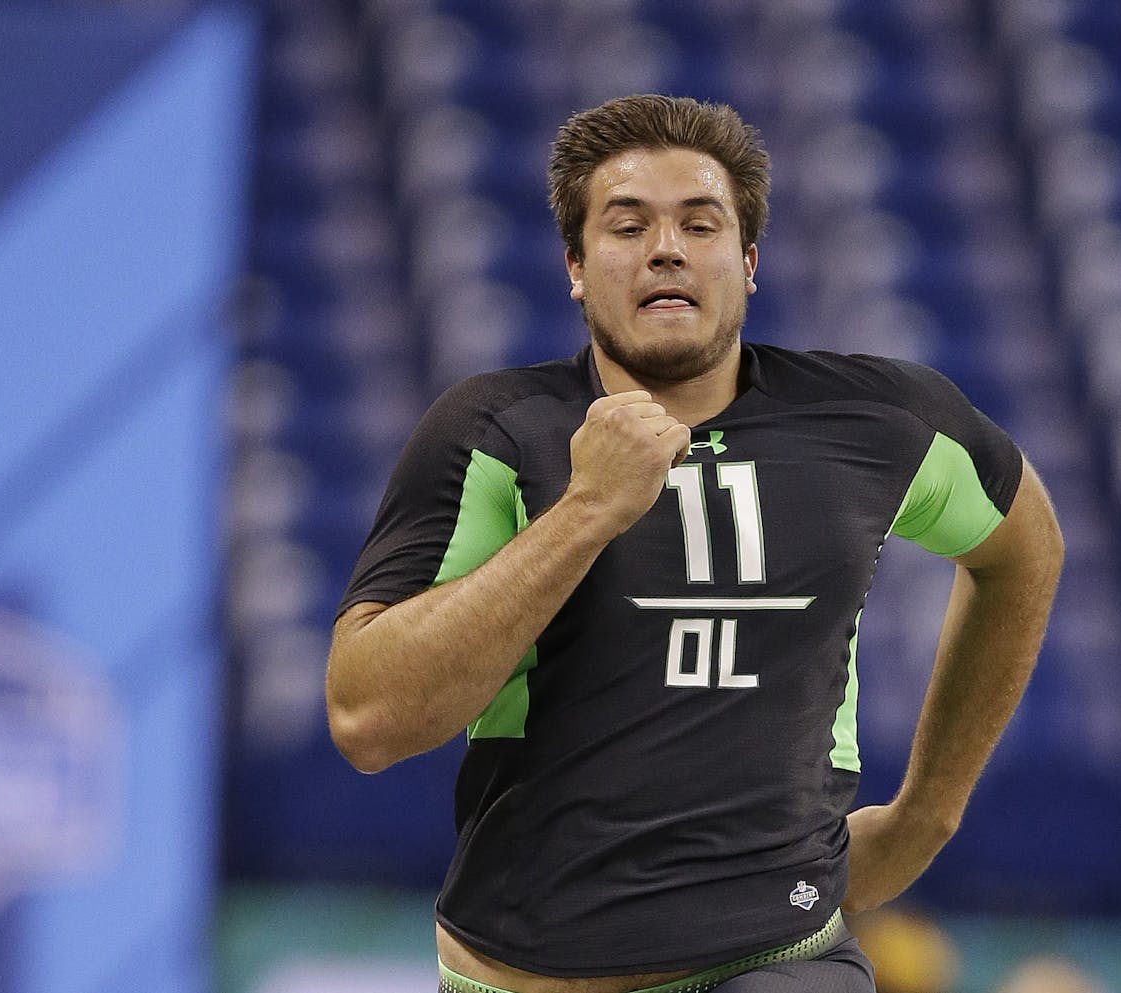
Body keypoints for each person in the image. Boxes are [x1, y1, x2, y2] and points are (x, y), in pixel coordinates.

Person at [326, 94, 1064, 993]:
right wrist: (586, 509)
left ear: (749, 263)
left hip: (776, 955)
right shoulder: (494, 431)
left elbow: (1024, 546)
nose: (665, 248)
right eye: (627, 225)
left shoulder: (879, 420)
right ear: (575, 267)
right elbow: (368, 719)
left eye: (700, 224)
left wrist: (927, 815)